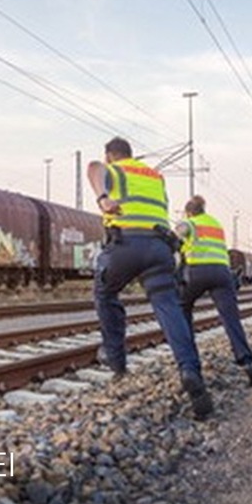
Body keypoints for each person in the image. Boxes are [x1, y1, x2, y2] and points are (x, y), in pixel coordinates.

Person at [87, 137, 214, 419]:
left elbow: (93, 168)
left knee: (105, 293)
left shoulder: (113, 169)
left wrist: (103, 198)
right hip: (158, 249)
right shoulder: (155, 177)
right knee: (169, 307)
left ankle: (117, 362)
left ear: (111, 155)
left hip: (124, 245)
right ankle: (191, 372)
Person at [176, 195, 252, 387]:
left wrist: (175, 235)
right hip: (222, 274)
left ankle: (191, 365)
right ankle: (247, 362)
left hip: (197, 272)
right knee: (231, 318)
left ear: (189, 212)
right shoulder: (215, 224)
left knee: (182, 308)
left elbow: (180, 233)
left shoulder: (190, 223)